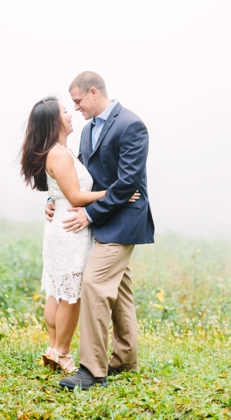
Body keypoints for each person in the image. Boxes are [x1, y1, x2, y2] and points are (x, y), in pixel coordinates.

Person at [45, 71, 155, 390]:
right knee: (120, 290)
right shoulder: (87, 131)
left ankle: (92, 371)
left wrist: (90, 214)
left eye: (78, 101)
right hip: (103, 218)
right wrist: (53, 200)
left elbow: (129, 183)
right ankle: (125, 358)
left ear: (94, 93)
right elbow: (77, 175)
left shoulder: (131, 125)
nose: (76, 108)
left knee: (93, 284)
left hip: (124, 220)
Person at [19, 97, 139, 374]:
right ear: (53, 120)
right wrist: (115, 195)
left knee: (57, 292)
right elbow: (74, 195)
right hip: (72, 227)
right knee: (71, 294)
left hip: (63, 224)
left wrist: (52, 200)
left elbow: (61, 190)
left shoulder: (61, 151)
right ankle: (62, 352)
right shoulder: (59, 153)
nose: (70, 113)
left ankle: (53, 348)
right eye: (64, 110)